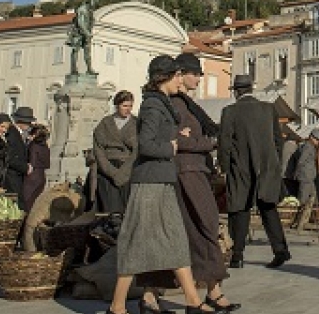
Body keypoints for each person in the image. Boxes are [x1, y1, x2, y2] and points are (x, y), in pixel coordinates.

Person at [106, 55, 211, 314]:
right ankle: (117, 306)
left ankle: (192, 301)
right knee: (136, 244)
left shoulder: (161, 104)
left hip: (162, 180)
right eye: (177, 76)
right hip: (150, 183)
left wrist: (176, 135)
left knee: (175, 240)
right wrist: (171, 146)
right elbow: (146, 144)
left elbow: (157, 134)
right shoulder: (153, 105)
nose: (180, 81)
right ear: (165, 77)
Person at [172, 52, 239, 313]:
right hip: (187, 172)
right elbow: (177, 140)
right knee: (205, 227)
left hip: (194, 170)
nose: (199, 78)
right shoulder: (176, 104)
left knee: (201, 229)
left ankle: (212, 290)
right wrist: (208, 143)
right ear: (181, 74)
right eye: (195, 73)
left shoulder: (187, 104)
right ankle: (211, 291)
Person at [218, 74, 291, 269]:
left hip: (240, 167)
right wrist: (274, 163)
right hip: (267, 167)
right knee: (268, 208)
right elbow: (278, 140)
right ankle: (280, 250)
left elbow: (224, 143)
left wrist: (225, 168)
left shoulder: (230, 112)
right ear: (251, 89)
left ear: (236, 92)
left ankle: (237, 255)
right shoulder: (269, 109)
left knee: (239, 210)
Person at [93, 90, 139, 213]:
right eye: (124, 106)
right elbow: (98, 150)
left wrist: (124, 172)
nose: (128, 109)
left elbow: (138, 150)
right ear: (117, 105)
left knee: (127, 208)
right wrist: (112, 172)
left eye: (130, 106)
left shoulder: (136, 123)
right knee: (110, 207)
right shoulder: (105, 123)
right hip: (108, 169)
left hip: (128, 168)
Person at [6, 106, 34, 208]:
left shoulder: (17, 133)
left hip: (16, 175)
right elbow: (11, 157)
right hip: (11, 176)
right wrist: (25, 167)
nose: (30, 125)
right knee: (16, 205)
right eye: (28, 122)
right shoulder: (12, 133)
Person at [68, 0, 99, 75]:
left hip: (86, 34)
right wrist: (87, 32)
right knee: (75, 50)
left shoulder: (90, 11)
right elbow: (80, 22)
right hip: (77, 33)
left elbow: (90, 23)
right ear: (90, 1)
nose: (94, 5)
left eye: (95, 4)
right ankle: (73, 69)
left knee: (87, 52)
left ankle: (89, 69)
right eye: (94, 3)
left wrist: (89, 32)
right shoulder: (82, 9)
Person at [23, 124, 51, 209]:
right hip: (41, 176)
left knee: (26, 201)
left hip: (32, 176)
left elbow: (32, 161)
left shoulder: (33, 145)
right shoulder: (45, 146)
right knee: (34, 203)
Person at [291, 132, 318, 207]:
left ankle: (312, 211)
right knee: (304, 197)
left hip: (309, 176)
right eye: (316, 139)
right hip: (306, 176)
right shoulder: (307, 147)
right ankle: (301, 211)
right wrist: (296, 173)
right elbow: (301, 161)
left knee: (313, 195)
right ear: (311, 137)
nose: (318, 141)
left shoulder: (310, 146)